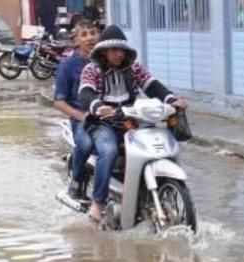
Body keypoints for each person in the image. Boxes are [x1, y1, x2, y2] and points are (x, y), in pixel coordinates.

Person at [78, 25, 188, 221]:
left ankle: (145, 194)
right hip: (103, 124)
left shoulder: (134, 69)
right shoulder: (91, 69)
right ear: (103, 51)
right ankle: (98, 202)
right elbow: (85, 92)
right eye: (113, 50)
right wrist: (97, 106)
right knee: (109, 150)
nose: (119, 54)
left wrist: (172, 100)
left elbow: (153, 86)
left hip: (130, 122)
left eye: (121, 50)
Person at [54, 19, 100, 201]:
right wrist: (82, 116)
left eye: (93, 32)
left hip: (108, 116)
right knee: (87, 144)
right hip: (82, 118)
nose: (90, 38)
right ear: (76, 40)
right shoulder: (68, 66)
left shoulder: (109, 60)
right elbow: (58, 102)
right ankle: (77, 182)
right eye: (84, 34)